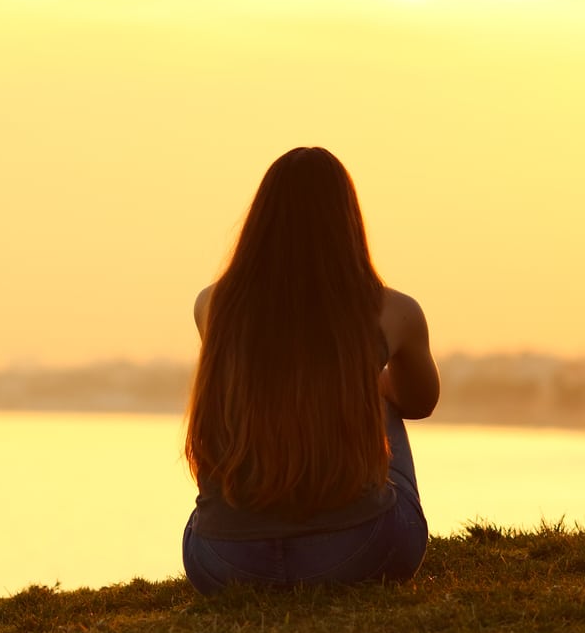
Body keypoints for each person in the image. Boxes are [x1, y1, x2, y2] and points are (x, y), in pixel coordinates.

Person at [181, 147, 440, 590]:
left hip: (225, 564)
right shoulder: (391, 312)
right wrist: (364, 380)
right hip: (356, 555)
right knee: (380, 395)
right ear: (348, 223)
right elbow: (417, 401)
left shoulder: (214, 305)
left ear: (260, 223)